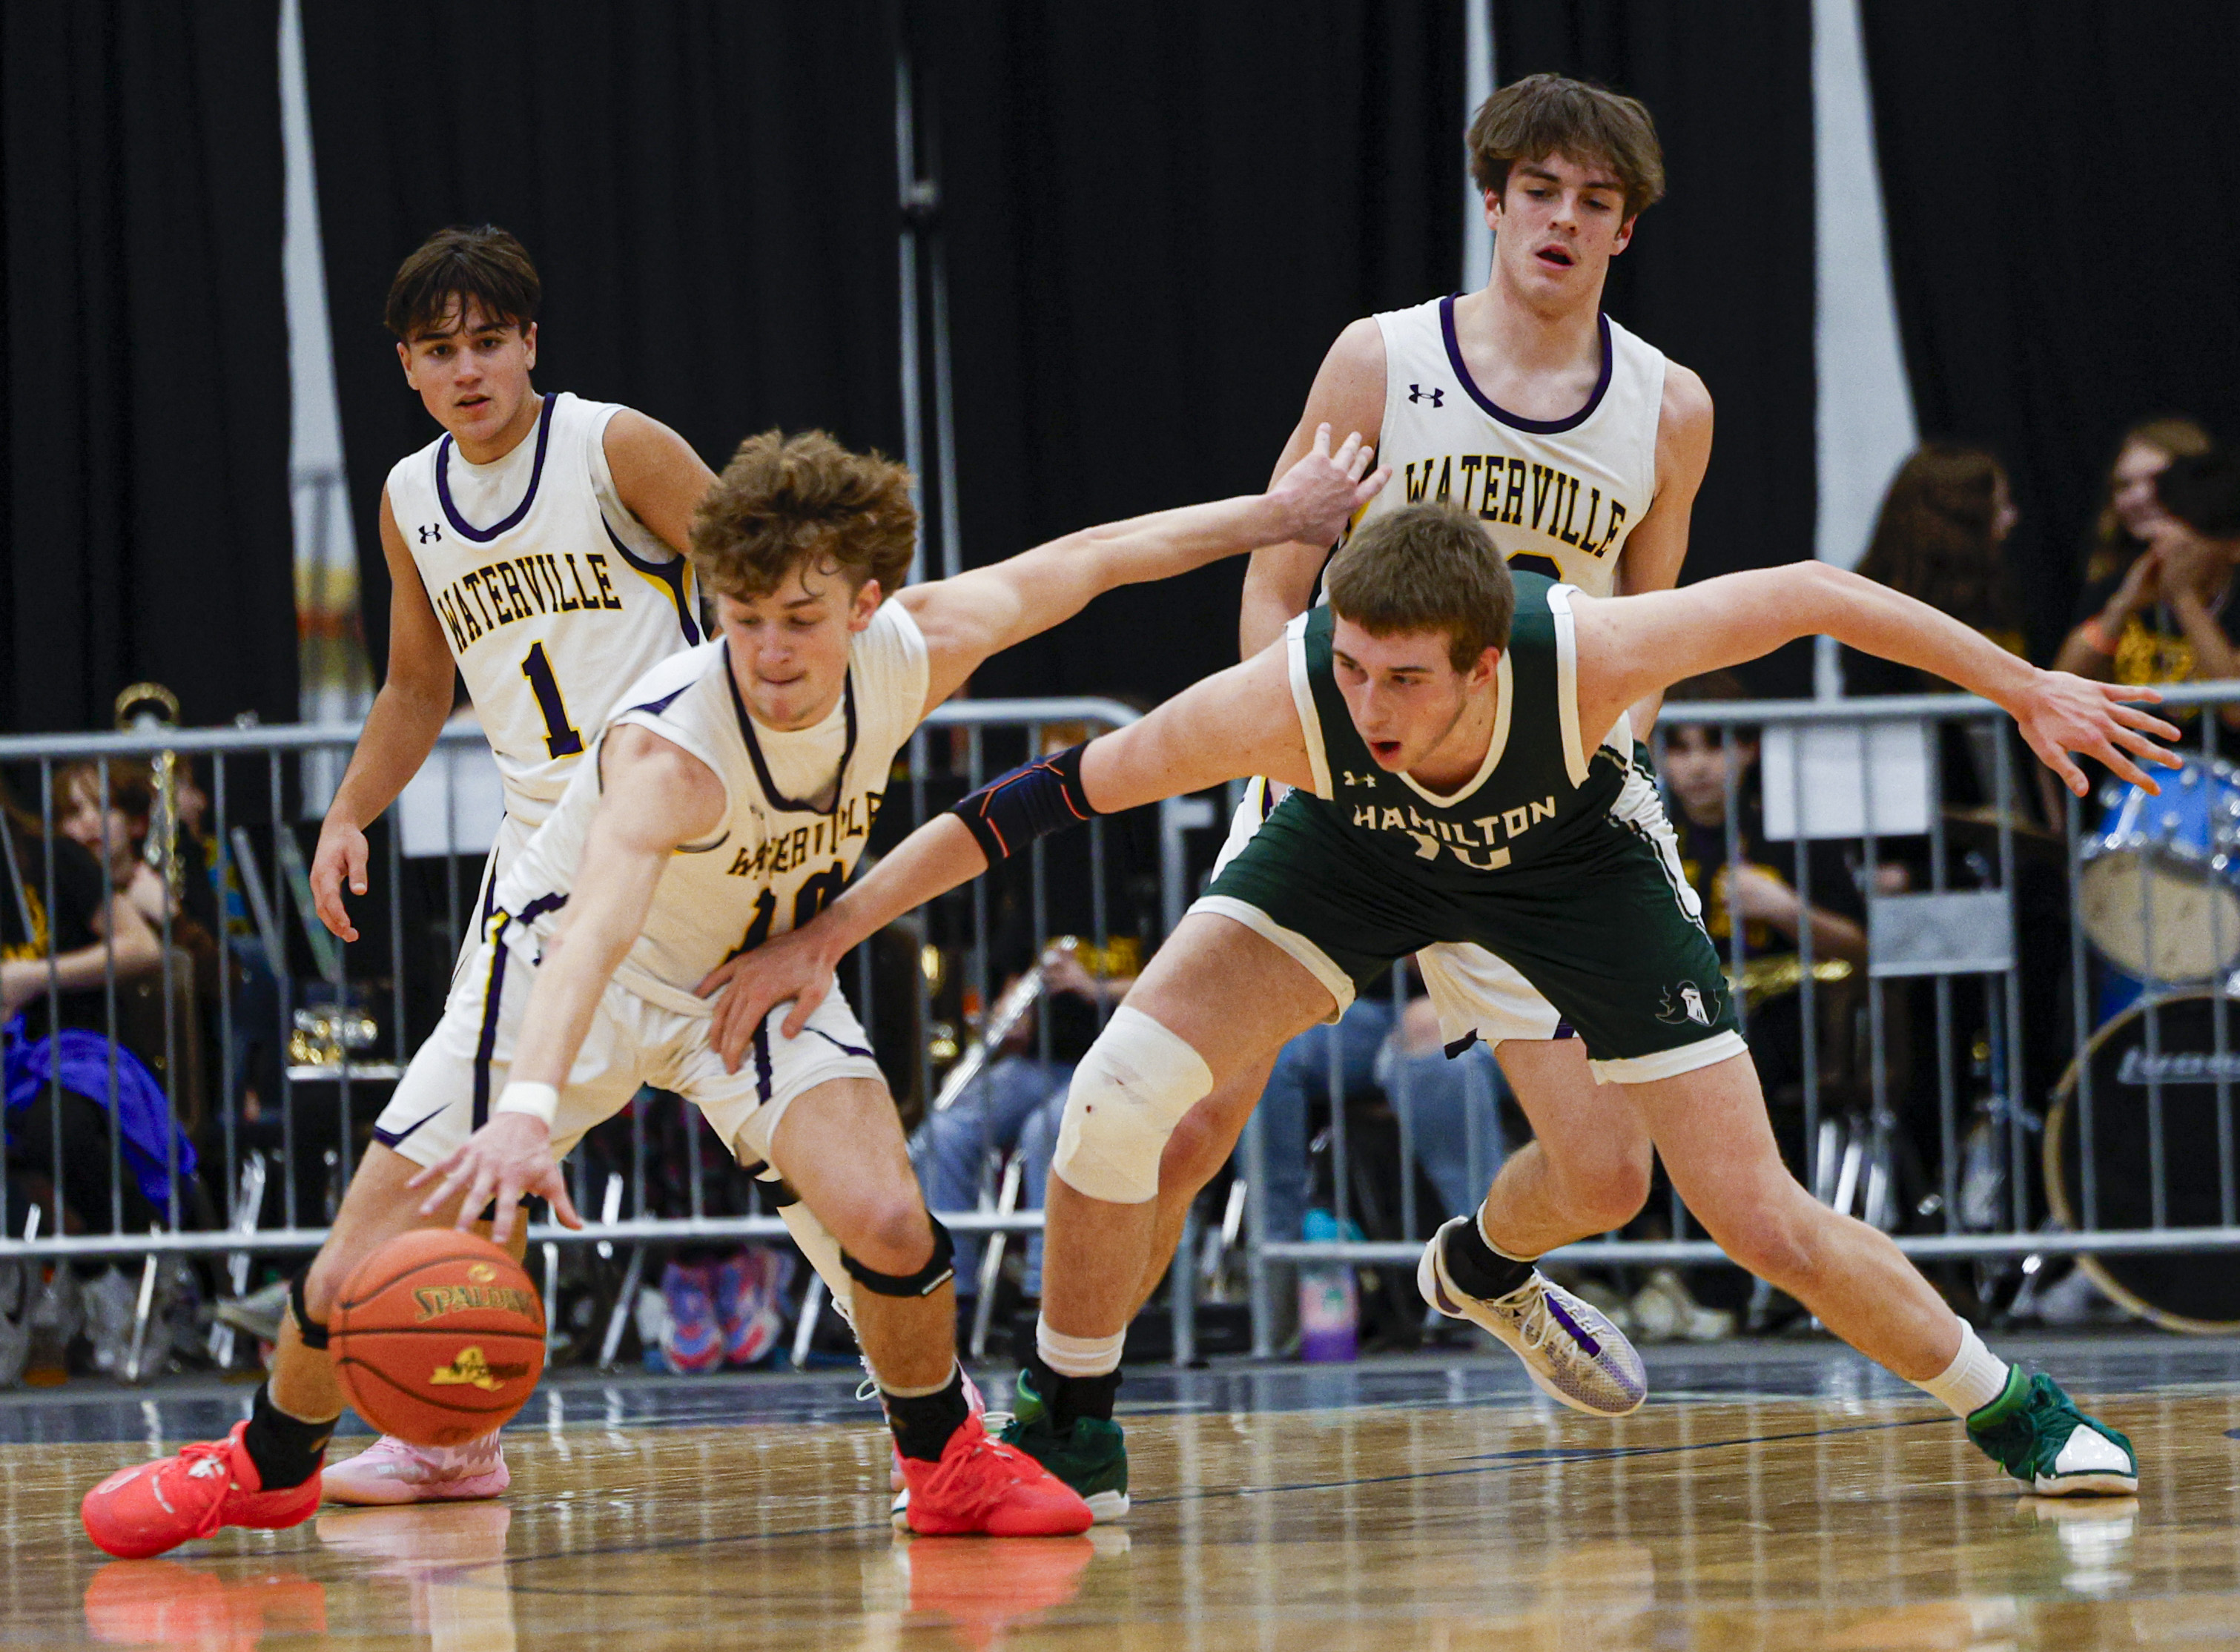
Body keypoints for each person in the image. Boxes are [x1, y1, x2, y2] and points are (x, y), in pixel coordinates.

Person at [76, 421, 1387, 1556]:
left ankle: (944, 1462)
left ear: (865, 600)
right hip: (562, 971)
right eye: (742, 616)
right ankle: (267, 1458)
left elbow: (1095, 558)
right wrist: (529, 1104)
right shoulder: (673, 748)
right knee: (366, 1256)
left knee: (885, 1212)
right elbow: (591, 926)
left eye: (798, 618)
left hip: (751, 971)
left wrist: (1277, 518)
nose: (767, 646)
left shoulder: (917, 647)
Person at [726, 501, 2170, 1517]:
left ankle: (2013, 1408)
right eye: (1348, 666)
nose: (1366, 702)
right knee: (1117, 1097)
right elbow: (1026, 802)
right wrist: (835, 928)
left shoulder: (1582, 651)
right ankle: (1072, 1421)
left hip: (1570, 871)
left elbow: (1806, 591)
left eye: (1402, 678)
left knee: (1744, 1210)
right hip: (1348, 859)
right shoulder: (1296, 702)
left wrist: (2019, 682)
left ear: (1484, 662)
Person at [1168, 71, 1711, 1406]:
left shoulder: (1667, 407)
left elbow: (1648, 630)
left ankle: (1480, 1263)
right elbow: (1272, 577)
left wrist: (1611, 784)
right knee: (1185, 1117)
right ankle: (1060, 1405)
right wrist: (1287, 742)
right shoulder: (1382, 361)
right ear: (1492, 201)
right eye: (1540, 192)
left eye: (1595, 202)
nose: (1563, 221)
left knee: (1606, 1168)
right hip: (1340, 772)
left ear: (1624, 230)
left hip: (1526, 809)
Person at [286, 224, 725, 1504]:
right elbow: (416, 686)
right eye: (441, 349)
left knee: (806, 1142)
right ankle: (450, 1428)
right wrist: (348, 812)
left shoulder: (613, 445)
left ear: (532, 341)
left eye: (490, 340)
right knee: (479, 1142)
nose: (469, 367)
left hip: (684, 835)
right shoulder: (408, 497)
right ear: (409, 369)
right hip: (538, 853)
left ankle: (930, 1402)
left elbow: (760, 579)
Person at [2057, 450, 2240, 727]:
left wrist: (2185, 600)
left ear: (2231, 545)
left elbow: (2236, 712)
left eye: (2184, 530)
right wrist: (2122, 607)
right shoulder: (2122, 587)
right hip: (2134, 765)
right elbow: (2061, 691)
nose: (2164, 538)